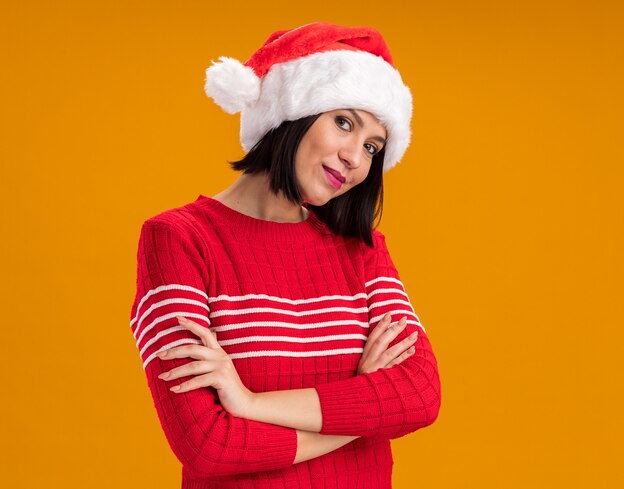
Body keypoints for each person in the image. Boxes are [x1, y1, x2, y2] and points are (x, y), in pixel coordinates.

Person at [129, 21, 441, 489]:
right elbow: (209, 444)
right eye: (344, 122)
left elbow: (420, 395)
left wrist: (251, 404)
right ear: (290, 113)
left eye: (374, 145)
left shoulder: (364, 251)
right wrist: (363, 406)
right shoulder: (178, 240)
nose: (357, 156)